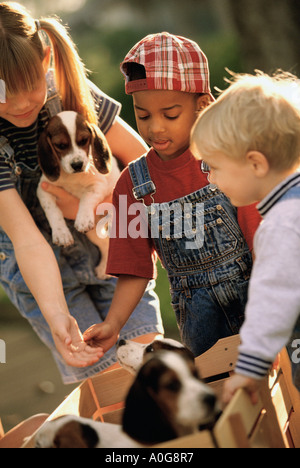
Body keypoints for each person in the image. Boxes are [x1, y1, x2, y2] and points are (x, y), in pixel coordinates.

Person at [0, 2, 163, 384]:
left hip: (107, 244)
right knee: (104, 379)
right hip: (43, 273)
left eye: (31, 85)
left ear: (46, 59)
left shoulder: (69, 90)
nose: (22, 103)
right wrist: (57, 316)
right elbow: (26, 241)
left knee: (152, 365)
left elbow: (140, 159)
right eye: (3, 94)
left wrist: (140, 230)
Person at [84, 32, 260, 357]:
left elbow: (259, 237)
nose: (155, 128)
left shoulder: (228, 159)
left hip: (258, 300)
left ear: (203, 105)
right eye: (143, 115)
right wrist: (113, 323)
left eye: (170, 114)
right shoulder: (131, 185)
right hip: (199, 321)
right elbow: (134, 268)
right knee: (213, 392)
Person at [190, 70, 300, 403]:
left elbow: (272, 300)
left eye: (215, 167)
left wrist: (249, 369)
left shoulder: (282, 225)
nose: (211, 180)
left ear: (255, 163)